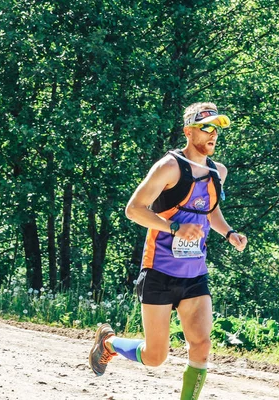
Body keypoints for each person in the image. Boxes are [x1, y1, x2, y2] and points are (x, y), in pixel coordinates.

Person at [88, 101, 248, 400]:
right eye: (207, 128)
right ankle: (109, 343)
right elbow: (134, 210)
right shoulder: (169, 166)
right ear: (189, 131)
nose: (214, 134)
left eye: (218, 128)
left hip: (194, 274)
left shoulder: (219, 171)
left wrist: (229, 233)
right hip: (159, 271)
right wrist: (174, 227)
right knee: (155, 357)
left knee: (201, 345)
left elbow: (210, 211)